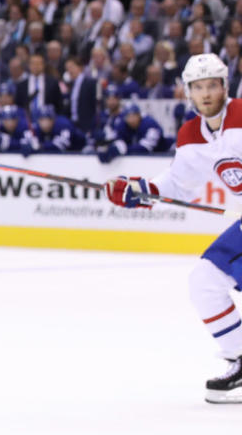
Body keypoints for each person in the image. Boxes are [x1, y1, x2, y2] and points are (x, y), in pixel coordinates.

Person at [103, 54, 242, 402]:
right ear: (188, 93)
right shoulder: (191, 136)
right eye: (198, 87)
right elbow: (179, 185)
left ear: (225, 87)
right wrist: (140, 191)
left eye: (212, 85)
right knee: (205, 280)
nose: (206, 93)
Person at [97, 102, 170, 163]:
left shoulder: (150, 125)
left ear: (139, 115)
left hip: (162, 154)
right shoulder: (123, 124)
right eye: (128, 116)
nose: (131, 120)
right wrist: (108, 148)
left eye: (133, 116)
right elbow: (116, 140)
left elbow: (146, 148)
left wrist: (125, 149)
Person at [20, 104, 86, 155]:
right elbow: (24, 143)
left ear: (54, 119)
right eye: (42, 120)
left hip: (80, 149)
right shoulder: (35, 127)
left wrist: (40, 146)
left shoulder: (63, 124)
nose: (45, 123)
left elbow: (61, 145)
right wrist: (27, 146)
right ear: (38, 121)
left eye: (48, 119)